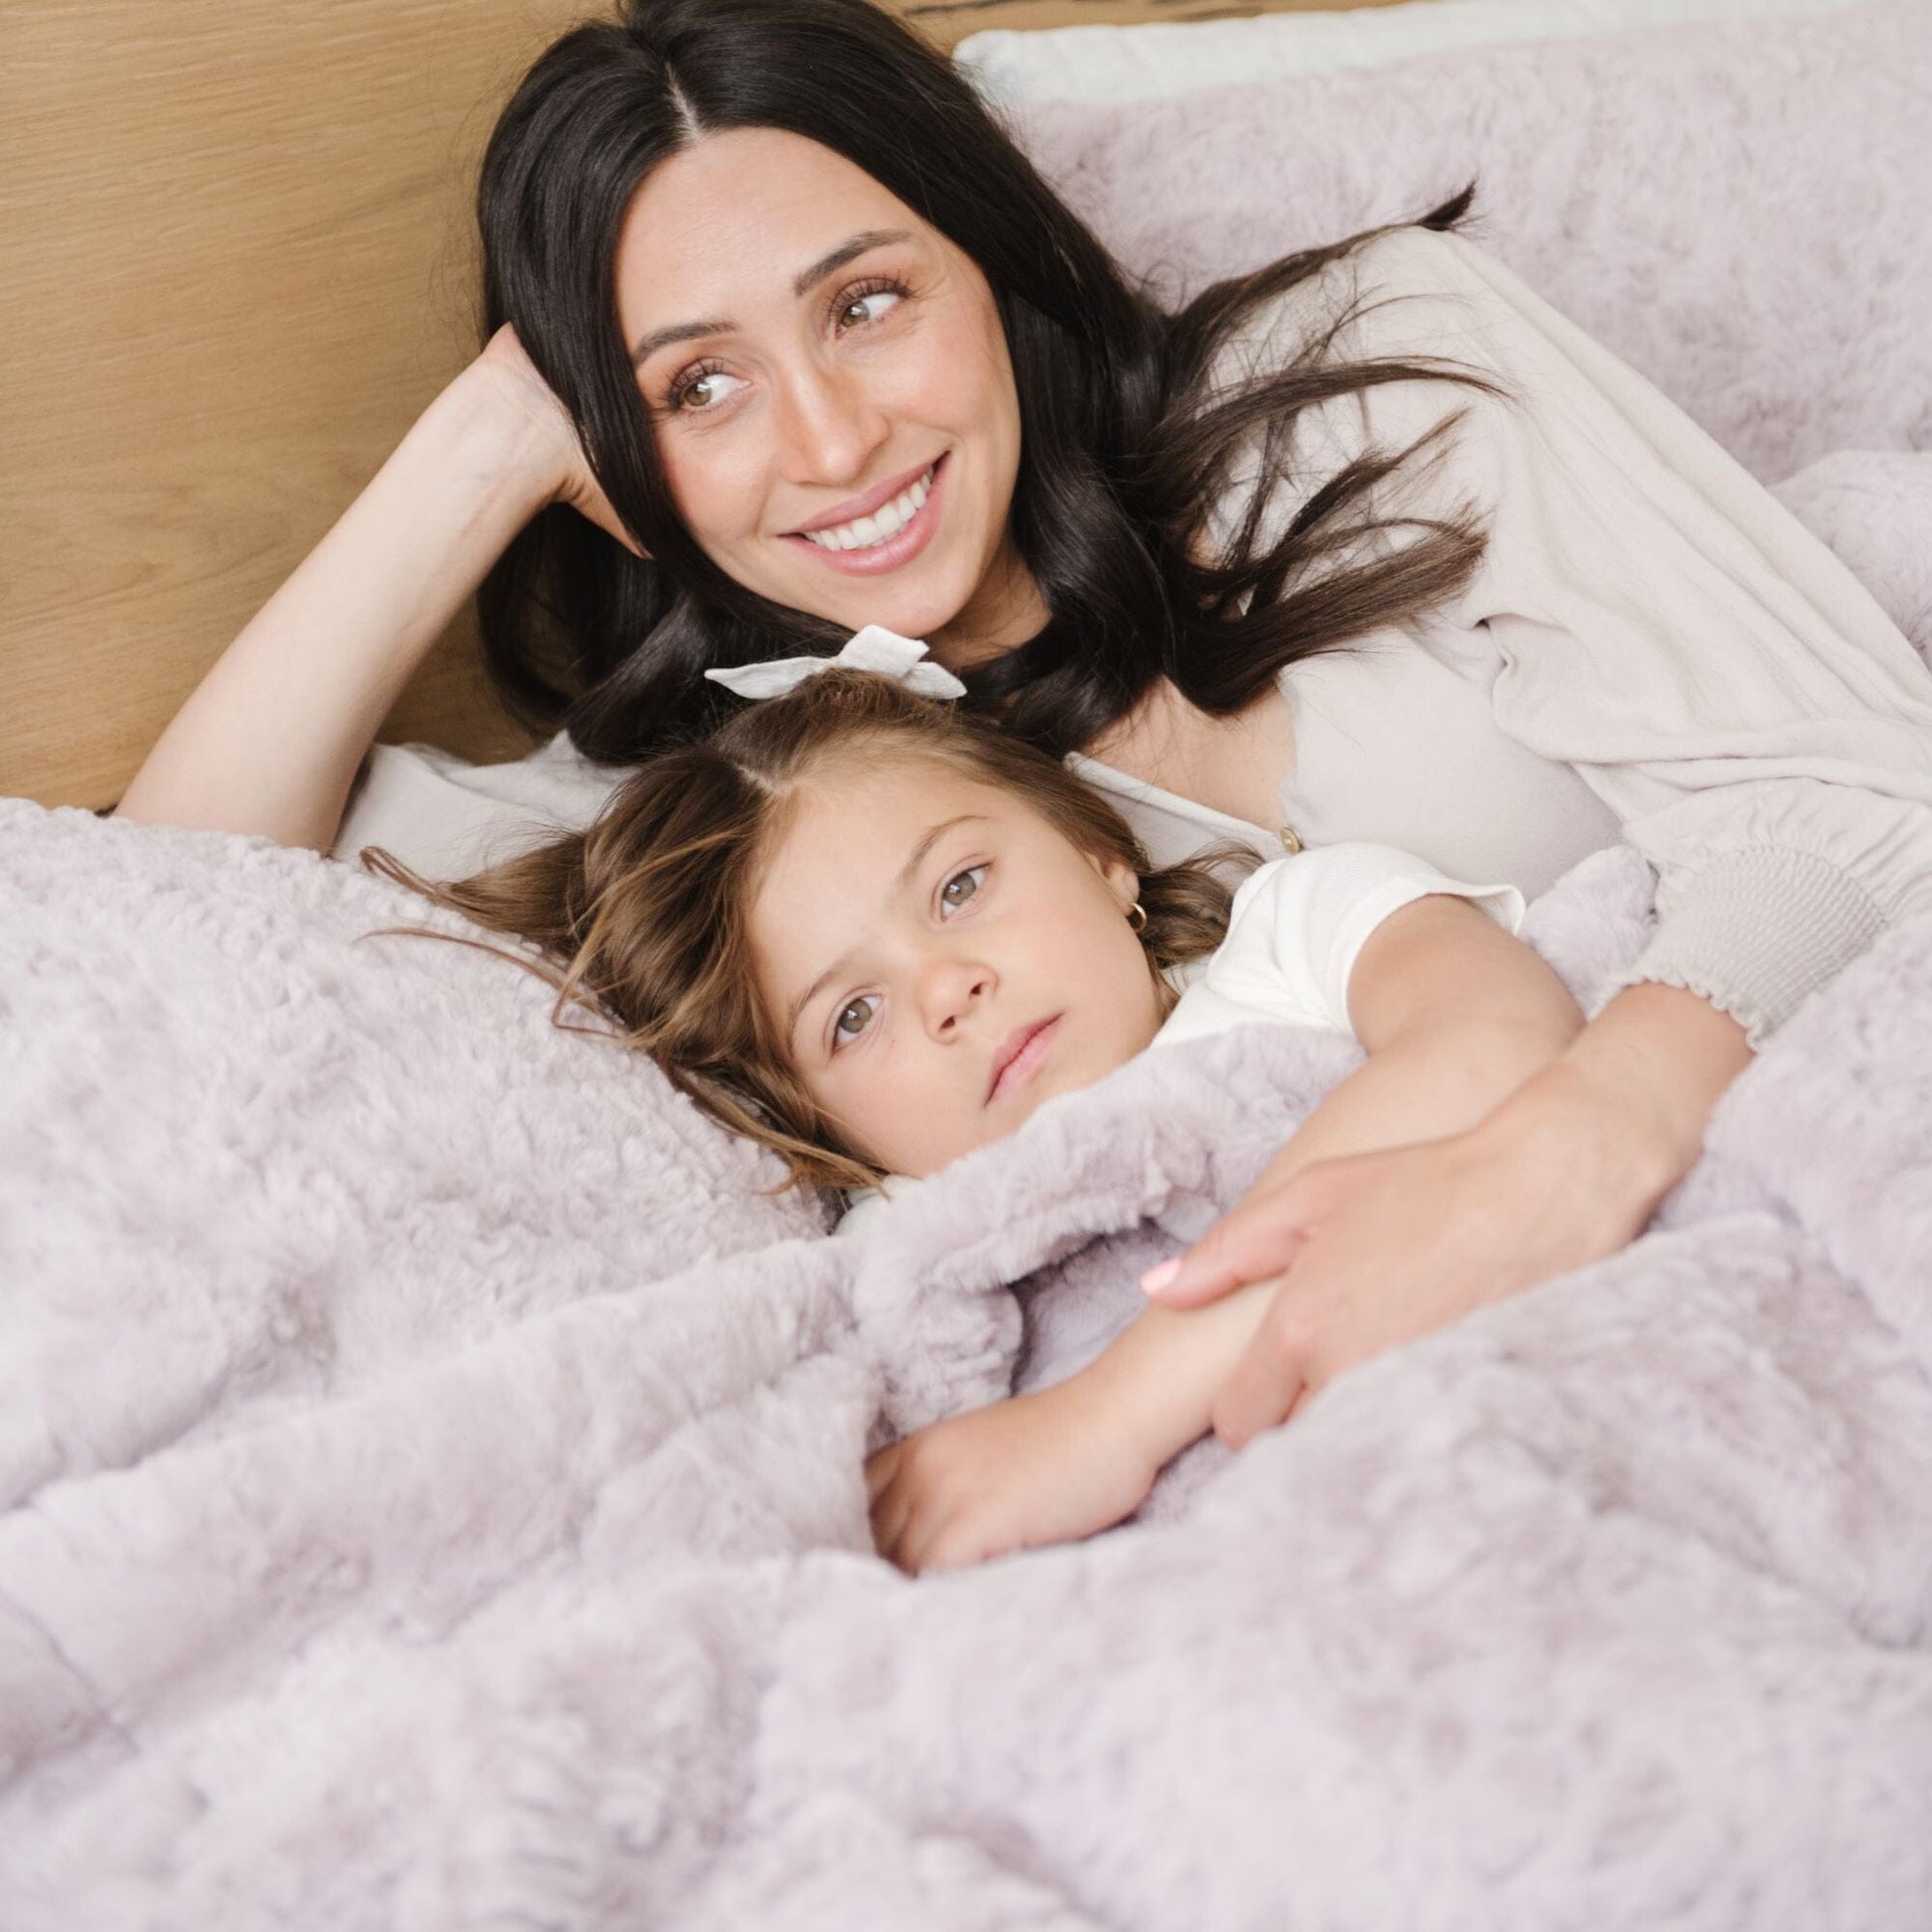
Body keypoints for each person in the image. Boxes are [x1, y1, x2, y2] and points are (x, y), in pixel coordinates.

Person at [115, 0, 1932, 1453]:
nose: (829, 444)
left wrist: (1568, 1141)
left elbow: (1865, 788)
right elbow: (159, 916)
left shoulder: (1370, 383)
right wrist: (478, 454)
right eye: (703, 381)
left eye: (870, 302)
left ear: (991, 263)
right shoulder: (749, 821)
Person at [374, 647, 1582, 1570]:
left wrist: (1105, 1415)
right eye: (850, 1015)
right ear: (823, 1122)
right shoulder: (894, 1247)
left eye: (959, 884)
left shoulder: (1298, 934)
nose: (945, 988)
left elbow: (1500, 1048)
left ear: (1100, 852)